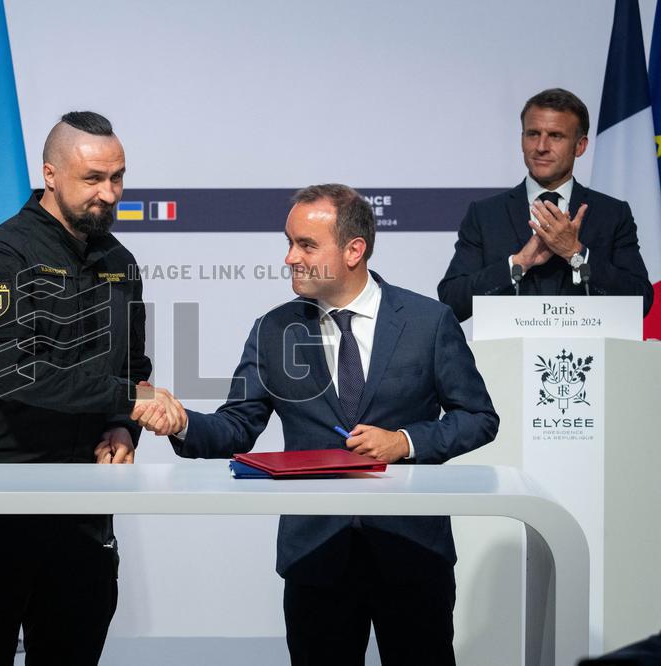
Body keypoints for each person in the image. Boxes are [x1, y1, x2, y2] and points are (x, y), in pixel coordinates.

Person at [138, 184, 499, 665]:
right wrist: (181, 423)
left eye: (306, 245)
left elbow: (478, 417)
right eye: (289, 242)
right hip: (316, 556)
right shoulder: (274, 329)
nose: (290, 257)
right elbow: (237, 427)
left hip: (412, 552)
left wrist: (406, 441)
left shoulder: (429, 322)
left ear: (354, 250)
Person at [0, 111, 172, 666]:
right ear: (51, 175)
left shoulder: (120, 260)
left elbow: (134, 364)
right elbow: (16, 372)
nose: (108, 193)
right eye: (92, 179)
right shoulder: (0, 255)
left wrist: (122, 426)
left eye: (117, 177)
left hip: (83, 509)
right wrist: (131, 402)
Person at [438, 88, 653, 322]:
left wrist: (576, 254)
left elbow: (640, 300)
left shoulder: (611, 214)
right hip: (508, 357)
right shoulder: (485, 215)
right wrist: (518, 263)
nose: (541, 146)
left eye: (555, 135)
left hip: (590, 356)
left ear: (580, 146)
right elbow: (452, 301)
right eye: (532, 134)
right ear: (522, 140)